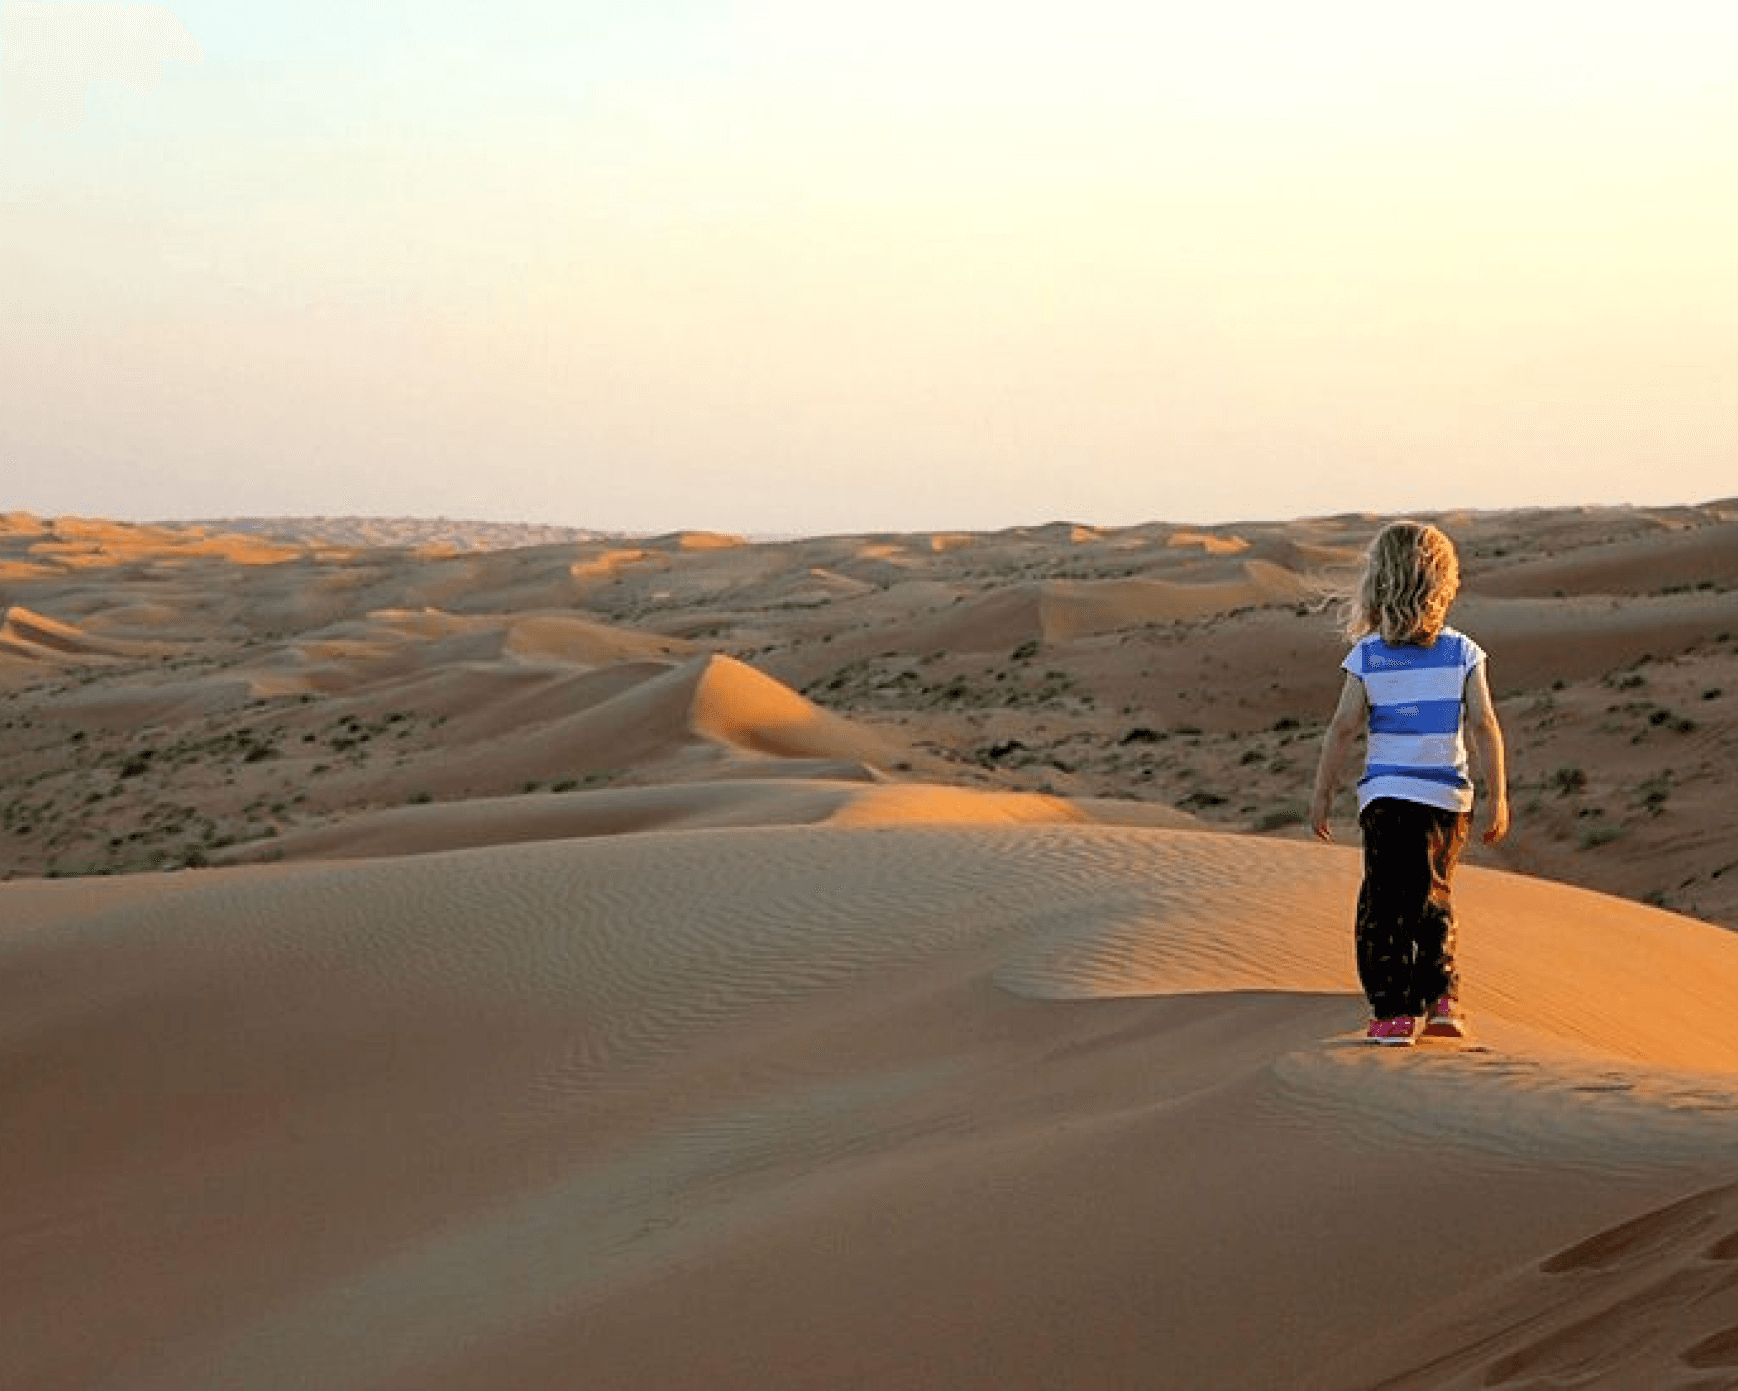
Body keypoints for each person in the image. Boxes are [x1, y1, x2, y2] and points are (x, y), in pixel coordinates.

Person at [1309, 520, 1510, 1047]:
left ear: (1379, 583)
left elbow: (1343, 727)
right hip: (1447, 801)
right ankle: (1442, 998)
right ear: (1444, 583)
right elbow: (1485, 725)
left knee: (1384, 901)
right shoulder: (1464, 652)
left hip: (1386, 799)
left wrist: (1322, 792)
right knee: (1433, 894)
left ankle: (1393, 1012)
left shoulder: (1369, 656)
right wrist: (1498, 795)